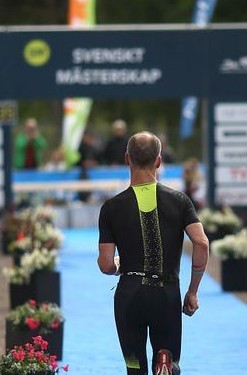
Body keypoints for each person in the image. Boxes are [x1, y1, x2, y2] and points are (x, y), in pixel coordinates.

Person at [97, 131, 209, 375]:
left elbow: (106, 265)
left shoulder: (111, 207)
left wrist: (118, 264)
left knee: (134, 367)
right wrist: (193, 290)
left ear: (127, 159)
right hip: (166, 294)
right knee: (167, 362)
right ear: (159, 161)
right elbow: (201, 243)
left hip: (129, 294)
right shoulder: (180, 201)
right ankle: (165, 363)